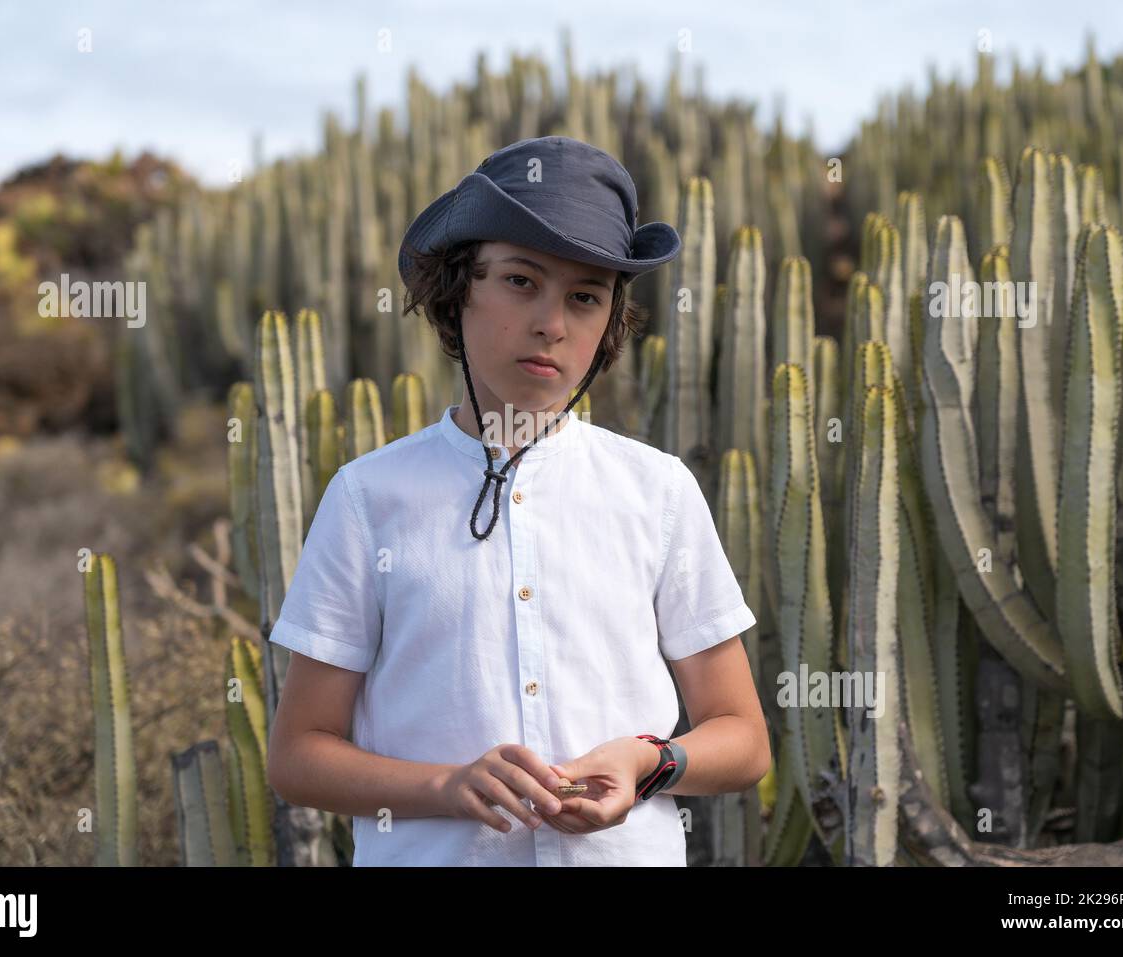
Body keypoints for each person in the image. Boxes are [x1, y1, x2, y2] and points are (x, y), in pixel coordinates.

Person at [265, 135, 770, 866]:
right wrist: (447, 784)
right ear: (457, 288)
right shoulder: (367, 497)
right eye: (521, 282)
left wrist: (647, 762)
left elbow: (744, 736)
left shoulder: (658, 492)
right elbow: (298, 754)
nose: (552, 323)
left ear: (608, 330)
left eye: (585, 297)